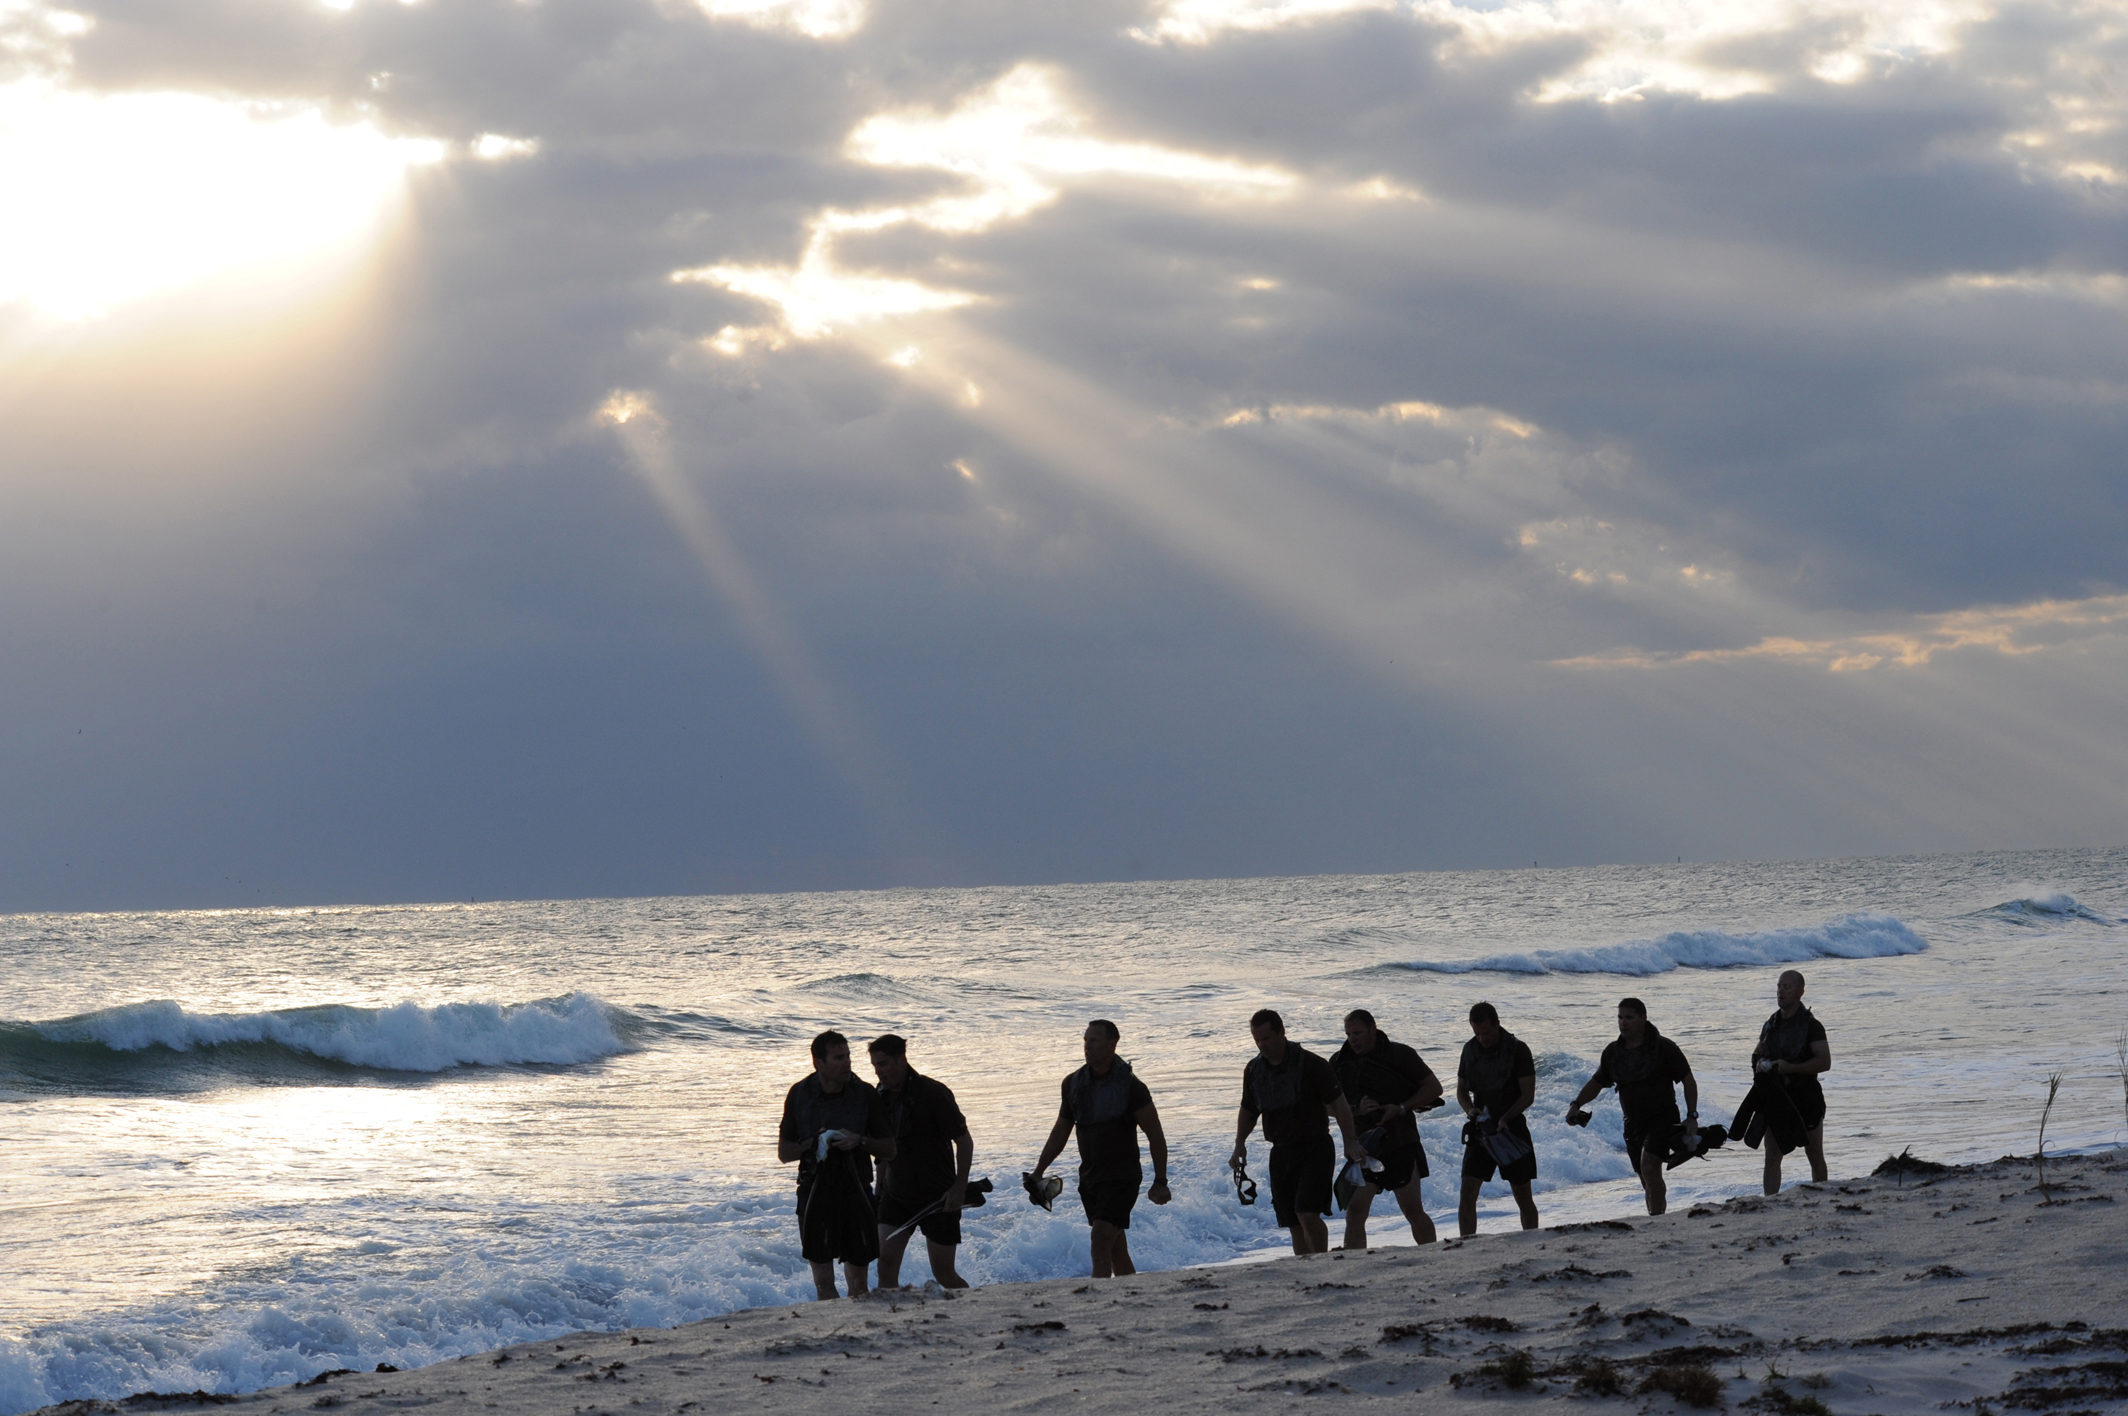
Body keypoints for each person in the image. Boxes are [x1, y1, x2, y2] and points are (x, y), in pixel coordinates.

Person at [1029, 1019, 1171, 1278]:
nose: (1087, 1046)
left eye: (1094, 1041)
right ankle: (1134, 1295)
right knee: (1116, 1249)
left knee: (1099, 1241)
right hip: (1091, 1178)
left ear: (1112, 1044)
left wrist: (1160, 1180)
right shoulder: (1072, 1084)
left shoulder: (1132, 1087)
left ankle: (1100, 1301)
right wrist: (1039, 1170)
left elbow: (1155, 1134)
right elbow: (1061, 1130)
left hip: (1122, 1178)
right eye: (1085, 1040)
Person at [1231, 1008, 1369, 1256]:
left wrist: (1350, 1141)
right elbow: (1249, 1109)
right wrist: (1239, 1144)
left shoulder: (1311, 1064)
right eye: (1257, 1040)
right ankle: (1306, 1269)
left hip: (1315, 1148)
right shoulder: (1253, 1070)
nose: (1262, 1045)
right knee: (1293, 1222)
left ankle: (1320, 1262)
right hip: (1281, 1153)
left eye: (1266, 1038)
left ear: (1282, 1032)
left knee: (1307, 1213)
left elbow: (1340, 1105)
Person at [776, 1029, 896, 1300]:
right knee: (822, 1281)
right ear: (818, 1063)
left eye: (848, 1056)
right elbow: (784, 1153)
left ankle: (859, 1333)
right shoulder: (800, 1094)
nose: (847, 1063)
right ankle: (832, 1334)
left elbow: (890, 1148)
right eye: (838, 1058)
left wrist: (860, 1141)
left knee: (859, 1282)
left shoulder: (865, 1093)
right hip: (815, 1192)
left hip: (856, 1190)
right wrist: (814, 1143)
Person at [1564, 997, 1700, 1215]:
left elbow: (1688, 1080)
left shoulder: (1664, 1048)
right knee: (1645, 1176)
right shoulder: (1613, 1053)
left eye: (1629, 1018)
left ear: (1644, 1019)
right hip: (1632, 1123)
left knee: (1650, 1167)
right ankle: (1656, 1217)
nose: (1623, 1023)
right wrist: (1576, 1104)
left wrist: (1692, 1116)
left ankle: (1657, 1222)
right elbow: (1597, 1082)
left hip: (1663, 1118)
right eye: (1620, 1018)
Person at [1329, 1008, 1442, 1249]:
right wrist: (1354, 1110)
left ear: (1373, 1029)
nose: (1353, 1039)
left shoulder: (1399, 1054)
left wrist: (1401, 1107)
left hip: (1400, 1140)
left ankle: (1433, 1256)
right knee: (1355, 1212)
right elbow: (1325, 1106)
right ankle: (1356, 1265)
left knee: (1412, 1210)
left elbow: (1434, 1088)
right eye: (1349, 1034)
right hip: (1363, 1147)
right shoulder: (1339, 1062)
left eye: (1358, 1033)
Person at [867, 1033, 973, 1290]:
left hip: (938, 1197)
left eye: (882, 1064)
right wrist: (879, 1190)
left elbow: (964, 1141)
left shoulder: (934, 1093)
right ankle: (894, 1322)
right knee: (885, 1266)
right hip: (896, 1195)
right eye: (874, 1065)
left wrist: (959, 1188)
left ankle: (974, 1309)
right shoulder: (878, 1097)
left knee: (944, 1274)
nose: (877, 1071)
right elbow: (883, 1151)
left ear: (901, 1059)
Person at [1456, 1001, 1540, 1235]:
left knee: (1523, 1195)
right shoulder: (1470, 1050)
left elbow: (1528, 1095)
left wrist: (1506, 1118)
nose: (1482, 1038)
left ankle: (1532, 1238)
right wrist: (1470, 1110)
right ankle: (1466, 1243)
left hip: (1511, 1129)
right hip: (1481, 1130)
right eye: (1477, 1033)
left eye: (1487, 1032)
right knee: (1467, 1192)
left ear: (1497, 1024)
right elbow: (1461, 1091)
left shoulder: (1518, 1049)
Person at [1751, 969, 1831, 1193]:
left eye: (1786, 987)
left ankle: (1823, 1196)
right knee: (1772, 1154)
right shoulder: (1771, 1023)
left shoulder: (1811, 1026)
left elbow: (1824, 1062)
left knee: (1814, 1153)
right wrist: (1759, 1064)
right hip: (1777, 1096)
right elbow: (1758, 1051)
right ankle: (1770, 1202)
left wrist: (1792, 1068)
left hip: (1806, 1096)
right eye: (1778, 986)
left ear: (1800, 992)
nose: (1780, 991)